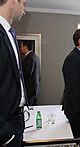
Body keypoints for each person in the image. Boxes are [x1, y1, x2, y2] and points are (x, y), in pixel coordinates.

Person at [0, 0, 27, 146]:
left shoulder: (10, 33)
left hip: (16, 118)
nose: (24, 9)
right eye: (24, 2)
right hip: (5, 126)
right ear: (12, 1)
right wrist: (5, 134)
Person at [19, 40, 40, 105]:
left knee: (29, 109)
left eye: (21, 46)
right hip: (34, 88)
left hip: (30, 89)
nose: (20, 48)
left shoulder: (29, 57)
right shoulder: (34, 56)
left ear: (25, 47)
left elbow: (27, 73)